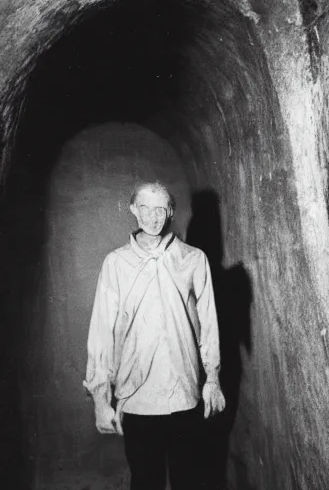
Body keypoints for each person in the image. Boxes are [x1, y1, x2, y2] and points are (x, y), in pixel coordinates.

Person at [83, 181, 226, 489]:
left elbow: (209, 323)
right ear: (133, 210)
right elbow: (101, 333)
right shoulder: (115, 263)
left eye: (160, 208)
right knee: (146, 480)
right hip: (137, 399)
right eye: (144, 208)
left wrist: (212, 379)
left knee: (188, 479)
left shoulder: (193, 258)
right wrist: (99, 398)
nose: (152, 216)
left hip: (184, 393)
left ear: (170, 212)